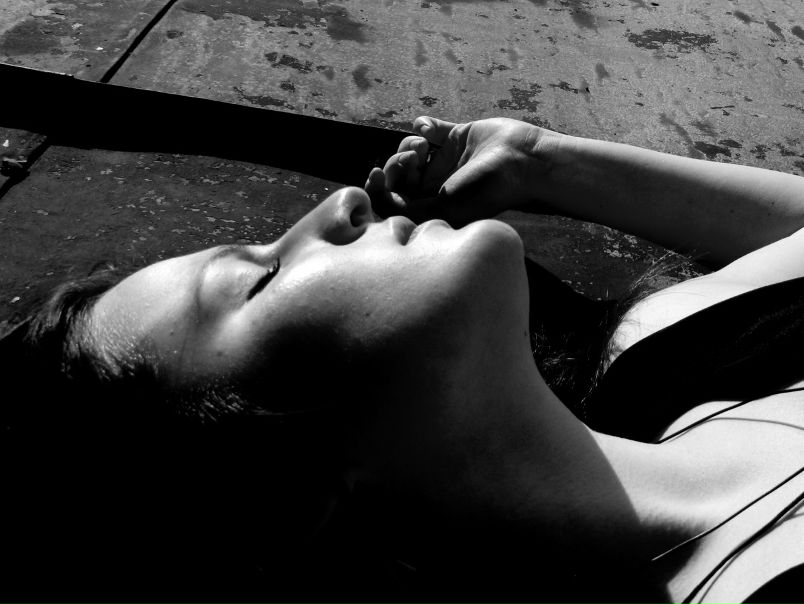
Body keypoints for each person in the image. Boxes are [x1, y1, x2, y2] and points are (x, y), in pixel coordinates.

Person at [2, 114, 804, 602]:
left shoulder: (663, 353)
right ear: (292, 502)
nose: (340, 202)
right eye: (258, 277)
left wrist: (541, 161)